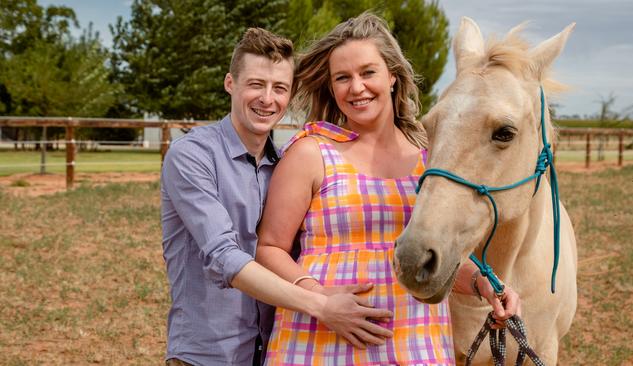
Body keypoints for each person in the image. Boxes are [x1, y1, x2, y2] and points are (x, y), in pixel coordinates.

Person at [256, 13, 522, 365]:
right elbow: (269, 249)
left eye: (368, 72)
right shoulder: (311, 152)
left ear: (392, 77)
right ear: (332, 87)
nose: (356, 87)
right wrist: (320, 299)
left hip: (415, 342)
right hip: (318, 339)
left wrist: (483, 285)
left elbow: (435, 255)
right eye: (342, 78)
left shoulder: (429, 159)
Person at [160, 27, 393, 366]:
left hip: (272, 350)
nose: (267, 99)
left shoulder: (286, 164)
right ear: (230, 83)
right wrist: (321, 305)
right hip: (206, 355)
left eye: (279, 88)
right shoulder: (191, 156)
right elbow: (224, 256)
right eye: (256, 84)